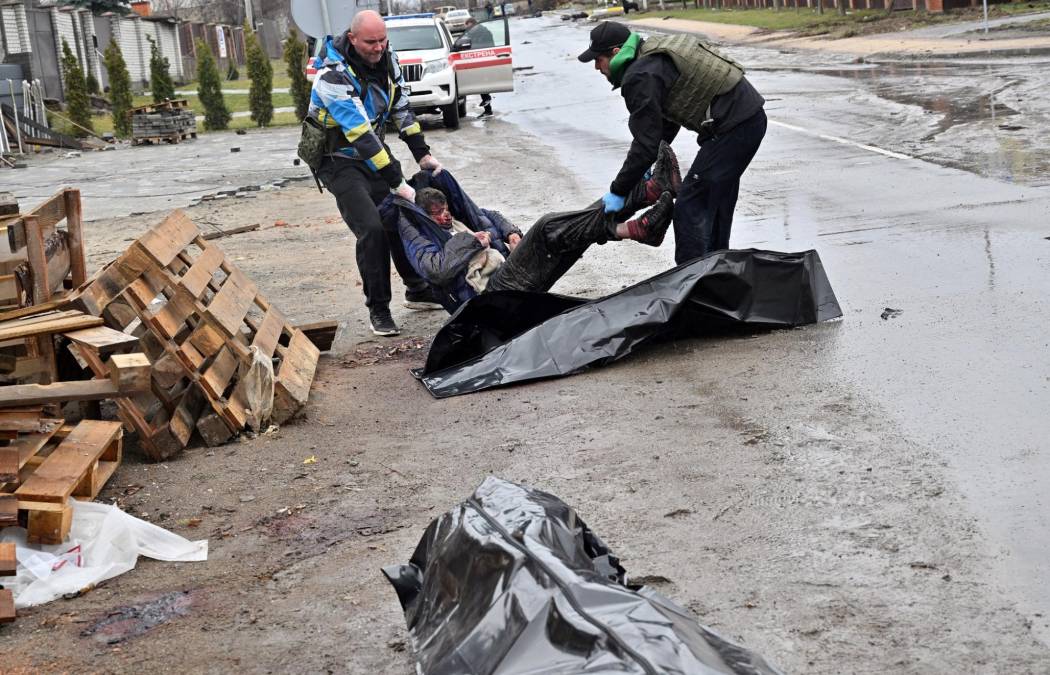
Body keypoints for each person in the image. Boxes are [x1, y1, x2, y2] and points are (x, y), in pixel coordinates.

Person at [385, 142, 681, 310]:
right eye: (436, 215)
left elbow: (490, 215)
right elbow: (436, 270)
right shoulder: (417, 236)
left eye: (445, 209)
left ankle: (648, 193)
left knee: (571, 230)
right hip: (489, 298)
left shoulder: (459, 216)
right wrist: (473, 241)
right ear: (424, 216)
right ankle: (641, 208)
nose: (445, 217)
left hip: (507, 272)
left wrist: (511, 232)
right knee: (547, 227)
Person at [578, 22, 766, 264]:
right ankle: (716, 275)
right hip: (747, 119)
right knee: (714, 204)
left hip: (735, 127)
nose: (596, 67)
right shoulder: (651, 54)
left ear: (615, 53)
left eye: (598, 59)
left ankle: (690, 285)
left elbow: (644, 144)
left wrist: (617, 192)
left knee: (690, 208)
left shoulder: (639, 75)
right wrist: (649, 164)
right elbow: (666, 124)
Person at [307, 10, 444, 337]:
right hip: (337, 157)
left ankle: (417, 289)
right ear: (353, 39)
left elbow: (401, 109)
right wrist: (398, 182)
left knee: (399, 216)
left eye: (383, 40)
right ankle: (379, 309)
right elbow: (361, 136)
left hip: (370, 153)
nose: (379, 47)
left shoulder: (389, 61)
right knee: (372, 227)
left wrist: (422, 153)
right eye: (371, 42)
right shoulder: (331, 75)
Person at [462, 17, 494, 117]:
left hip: (484, 59)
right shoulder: (473, 33)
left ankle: (487, 103)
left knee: (482, 82)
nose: (467, 29)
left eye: (468, 26)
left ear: (472, 24)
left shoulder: (484, 32)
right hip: (476, 60)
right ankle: (488, 108)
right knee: (480, 83)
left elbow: (485, 45)